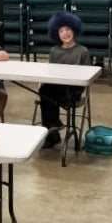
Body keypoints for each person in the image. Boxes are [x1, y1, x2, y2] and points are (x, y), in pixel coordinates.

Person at [39, 11, 90, 149]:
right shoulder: (54, 51)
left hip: (74, 90)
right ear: (56, 33)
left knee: (46, 93)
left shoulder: (83, 51)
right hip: (56, 89)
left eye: (67, 29)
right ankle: (52, 132)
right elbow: (50, 73)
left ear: (74, 30)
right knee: (44, 90)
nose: (65, 34)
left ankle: (53, 131)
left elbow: (87, 77)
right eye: (61, 31)